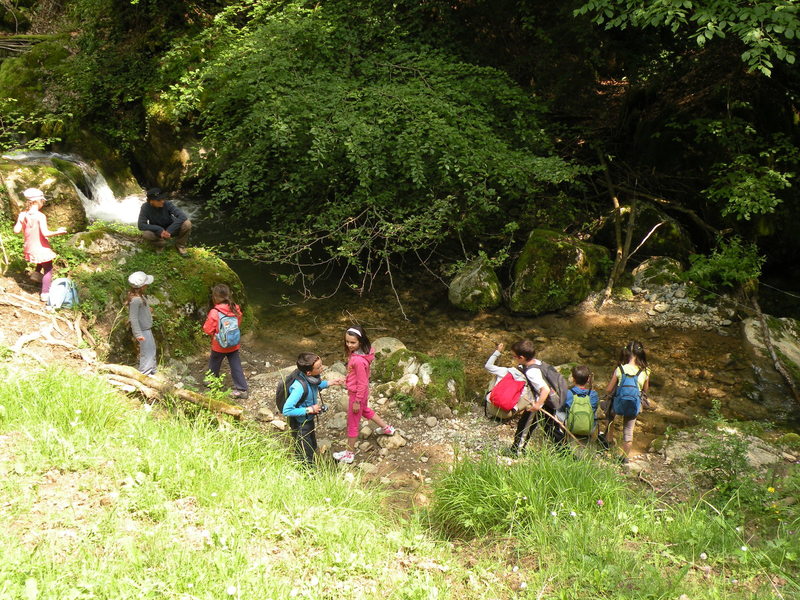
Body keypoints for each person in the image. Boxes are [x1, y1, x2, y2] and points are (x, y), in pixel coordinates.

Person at [487, 340, 562, 456]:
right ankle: (564, 452)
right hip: (550, 401)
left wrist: (537, 406)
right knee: (551, 429)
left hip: (540, 403)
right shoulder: (537, 363)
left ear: (521, 357)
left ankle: (516, 451)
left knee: (524, 427)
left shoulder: (531, 372)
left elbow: (545, 389)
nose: (514, 358)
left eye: (514, 356)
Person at [333, 326, 395, 464]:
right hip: (362, 392)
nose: (349, 345)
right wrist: (348, 379)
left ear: (360, 342)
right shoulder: (363, 354)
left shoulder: (358, 360)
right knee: (365, 411)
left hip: (357, 395)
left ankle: (349, 454)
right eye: (347, 342)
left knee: (353, 423)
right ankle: (387, 428)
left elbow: (362, 382)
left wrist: (357, 401)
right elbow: (362, 376)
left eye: (352, 342)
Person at [282, 352, 343, 468]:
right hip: (301, 424)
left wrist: (330, 383)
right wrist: (308, 409)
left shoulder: (310, 377)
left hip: (308, 420)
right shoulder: (298, 388)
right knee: (305, 451)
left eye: (321, 365)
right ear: (308, 372)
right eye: (319, 367)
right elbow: (286, 410)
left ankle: (309, 464)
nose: (322, 368)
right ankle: (307, 471)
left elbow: (315, 385)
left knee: (312, 445)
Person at [13, 188, 67, 302]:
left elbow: (16, 230)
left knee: (41, 259)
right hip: (40, 247)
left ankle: (36, 274)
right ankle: (45, 293)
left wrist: (21, 222)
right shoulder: (40, 216)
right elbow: (46, 233)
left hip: (29, 247)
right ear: (37, 201)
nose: (43, 203)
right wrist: (59, 231)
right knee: (48, 268)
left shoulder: (22, 214)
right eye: (43, 201)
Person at [604, 340, 651, 462]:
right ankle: (624, 458)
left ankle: (608, 442)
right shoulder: (645, 371)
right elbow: (645, 391)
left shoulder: (620, 369)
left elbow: (609, 389)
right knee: (628, 430)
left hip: (618, 404)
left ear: (626, 354)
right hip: (633, 405)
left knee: (610, 415)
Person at [202, 284, 248, 399]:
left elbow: (207, 329)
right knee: (235, 364)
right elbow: (238, 321)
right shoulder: (235, 307)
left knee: (214, 362)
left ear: (215, 297)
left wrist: (215, 333)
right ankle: (242, 389)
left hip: (219, 344)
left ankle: (212, 382)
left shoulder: (214, 311)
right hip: (234, 343)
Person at [137, 188, 192, 256]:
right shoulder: (145, 207)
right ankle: (161, 244)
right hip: (158, 232)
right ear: (151, 201)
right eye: (159, 200)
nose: (162, 201)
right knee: (146, 234)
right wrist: (159, 229)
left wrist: (169, 231)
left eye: (163, 198)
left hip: (171, 229)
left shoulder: (167, 204)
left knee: (187, 223)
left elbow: (182, 216)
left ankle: (180, 245)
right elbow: (141, 225)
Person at [127, 271, 157, 375]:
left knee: (151, 350)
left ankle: (152, 371)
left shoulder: (141, 297)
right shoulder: (136, 300)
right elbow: (133, 318)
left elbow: (142, 310)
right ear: (142, 286)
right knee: (147, 353)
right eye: (146, 285)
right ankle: (144, 373)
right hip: (143, 331)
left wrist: (148, 310)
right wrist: (138, 334)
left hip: (147, 329)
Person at [564, 365, 600, 436]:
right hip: (589, 428)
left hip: (571, 426)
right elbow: (594, 409)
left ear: (573, 379)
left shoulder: (568, 393)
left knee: (560, 411)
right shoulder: (593, 394)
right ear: (588, 380)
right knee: (594, 412)